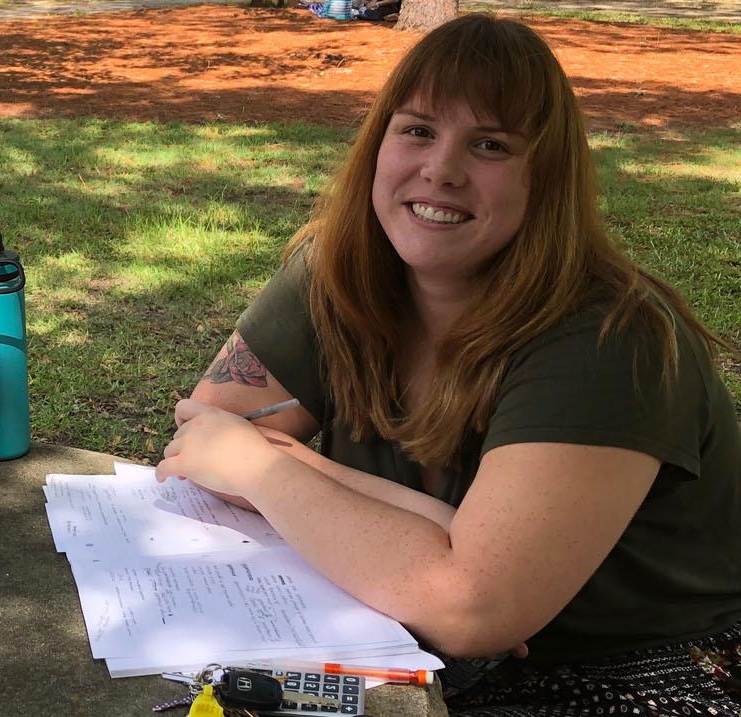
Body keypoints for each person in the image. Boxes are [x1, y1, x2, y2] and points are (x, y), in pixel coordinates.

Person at [156, 14, 741, 715]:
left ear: (545, 180)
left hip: (643, 669)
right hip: (405, 641)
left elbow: (472, 608)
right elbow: (201, 438)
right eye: (418, 130)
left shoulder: (612, 339)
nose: (442, 169)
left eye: (490, 144)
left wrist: (263, 466)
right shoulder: (336, 270)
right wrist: (433, 537)